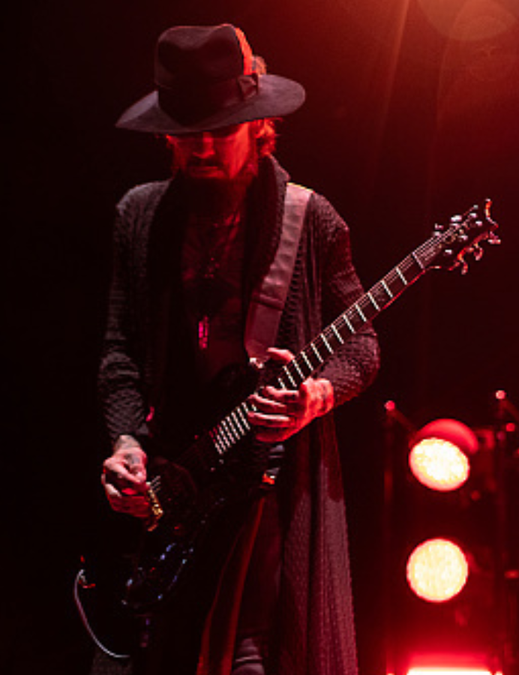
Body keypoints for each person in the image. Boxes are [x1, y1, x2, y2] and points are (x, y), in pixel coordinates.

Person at [98, 24, 379, 675]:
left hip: (266, 488)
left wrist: (318, 393)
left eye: (217, 129)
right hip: (175, 490)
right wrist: (124, 444)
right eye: (184, 130)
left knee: (254, 655)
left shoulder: (311, 220)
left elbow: (362, 343)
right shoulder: (138, 217)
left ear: (260, 125)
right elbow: (119, 352)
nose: (198, 147)